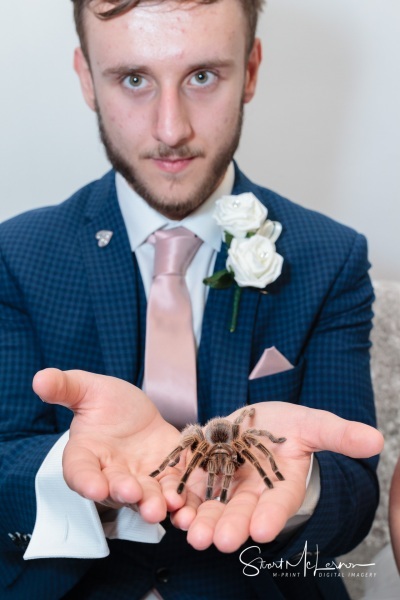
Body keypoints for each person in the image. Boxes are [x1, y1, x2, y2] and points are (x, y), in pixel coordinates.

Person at [0, 1, 383, 599]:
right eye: (133, 79)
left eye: (202, 76)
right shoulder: (16, 255)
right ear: (86, 78)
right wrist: (78, 472)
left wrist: (299, 484)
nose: (171, 128)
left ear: (251, 70)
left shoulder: (329, 258)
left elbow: (354, 493)